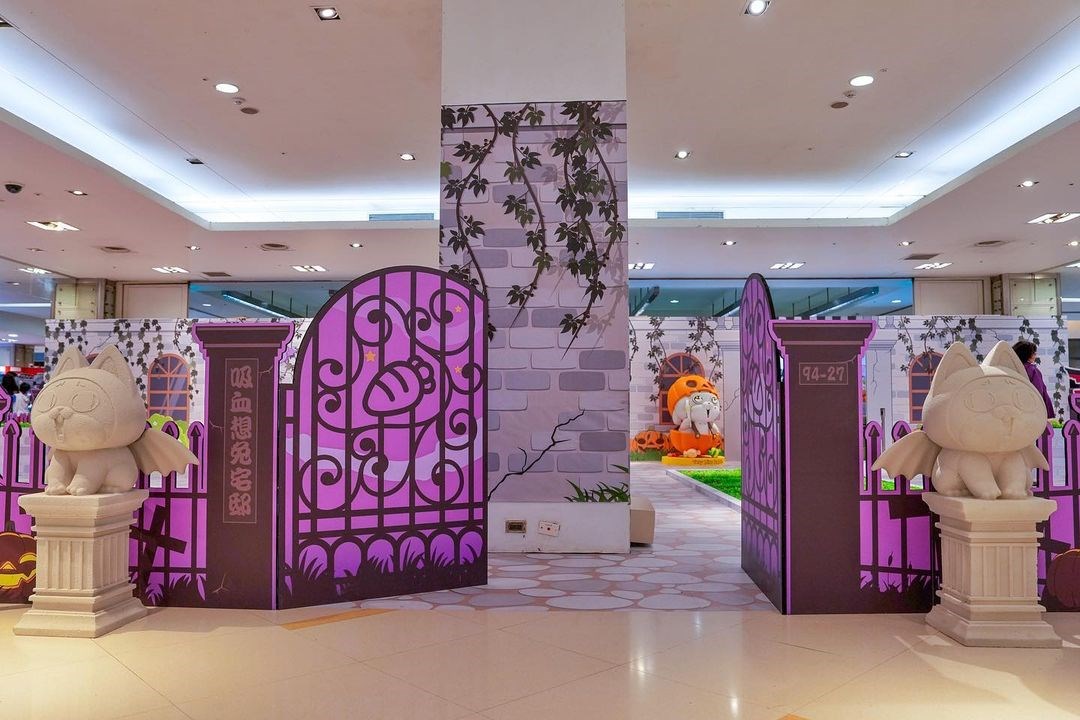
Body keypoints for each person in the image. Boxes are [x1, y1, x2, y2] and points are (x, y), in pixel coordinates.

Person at [1012, 340, 1054, 420]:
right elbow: (1038, 390)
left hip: (1017, 406)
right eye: (1034, 353)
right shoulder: (1032, 370)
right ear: (1027, 355)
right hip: (1034, 407)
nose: (1035, 356)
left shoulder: (1012, 369)